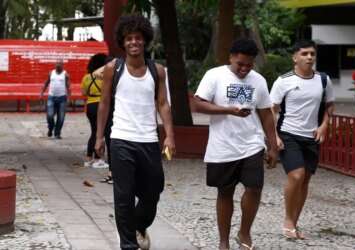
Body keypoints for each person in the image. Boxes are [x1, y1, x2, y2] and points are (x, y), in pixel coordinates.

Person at [95, 14, 175, 250]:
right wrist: (99, 137)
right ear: (123, 41)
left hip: (148, 140)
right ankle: (128, 244)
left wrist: (170, 135)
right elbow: (104, 103)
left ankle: (138, 225)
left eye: (138, 38)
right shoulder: (112, 69)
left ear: (145, 40)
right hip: (121, 139)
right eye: (129, 38)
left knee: (154, 190)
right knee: (124, 195)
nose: (134, 42)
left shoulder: (157, 70)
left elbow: (163, 104)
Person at [193, 38, 278, 250]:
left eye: (248, 65)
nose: (244, 69)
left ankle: (245, 233)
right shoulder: (214, 75)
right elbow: (198, 104)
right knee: (225, 192)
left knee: (255, 187)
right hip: (223, 146)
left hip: (252, 143)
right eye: (240, 64)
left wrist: (273, 145)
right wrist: (228, 110)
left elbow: (266, 113)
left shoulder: (258, 80)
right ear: (231, 57)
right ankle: (224, 241)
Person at [270, 40, 334, 240]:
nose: (309, 57)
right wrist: (275, 136)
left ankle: (294, 224)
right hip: (289, 134)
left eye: (312, 54)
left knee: (305, 180)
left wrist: (324, 125)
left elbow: (329, 105)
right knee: (296, 175)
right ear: (295, 57)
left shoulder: (323, 80)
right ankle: (288, 221)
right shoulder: (284, 80)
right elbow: (271, 110)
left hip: (311, 137)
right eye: (305, 53)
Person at [81, 53, 110, 170]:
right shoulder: (104, 77)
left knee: (94, 131)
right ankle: (98, 159)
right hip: (101, 104)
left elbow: (83, 93)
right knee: (101, 132)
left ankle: (89, 158)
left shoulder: (86, 77)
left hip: (90, 105)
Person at [40, 59, 70, 139]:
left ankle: (57, 133)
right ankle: (50, 128)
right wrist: (42, 92)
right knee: (49, 115)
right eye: (57, 63)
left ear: (62, 65)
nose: (58, 65)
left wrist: (69, 97)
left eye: (60, 63)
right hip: (51, 97)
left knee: (61, 117)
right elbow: (46, 83)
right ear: (54, 64)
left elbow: (68, 86)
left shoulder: (65, 74)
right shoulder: (51, 73)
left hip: (62, 98)